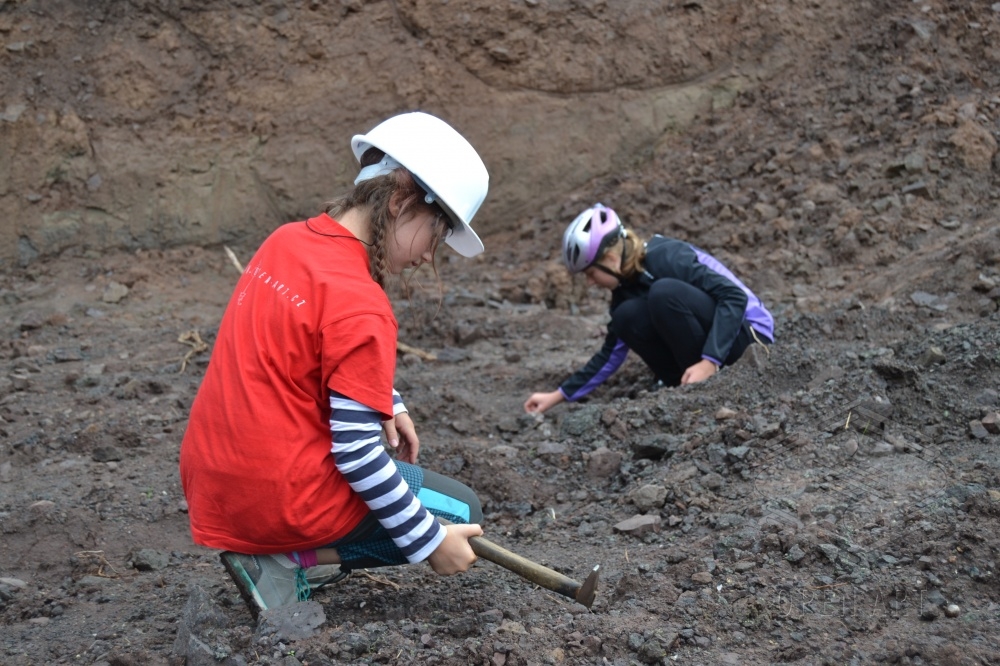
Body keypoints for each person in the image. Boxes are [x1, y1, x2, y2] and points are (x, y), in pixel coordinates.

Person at [179, 111, 489, 618]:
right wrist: (431, 542)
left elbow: (304, 348)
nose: (426, 256)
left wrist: (387, 398)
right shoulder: (362, 303)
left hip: (213, 481)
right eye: (435, 234)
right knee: (460, 511)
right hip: (274, 497)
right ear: (401, 200)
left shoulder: (285, 241)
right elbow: (358, 455)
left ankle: (285, 555)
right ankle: (286, 561)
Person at [524, 203, 774, 414]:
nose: (590, 283)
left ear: (610, 259)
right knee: (626, 316)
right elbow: (610, 355)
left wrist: (710, 361)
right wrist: (557, 396)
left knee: (664, 293)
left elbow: (734, 297)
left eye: (591, 273)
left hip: (751, 339)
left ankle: (705, 379)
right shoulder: (624, 292)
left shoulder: (667, 257)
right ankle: (685, 389)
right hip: (715, 354)